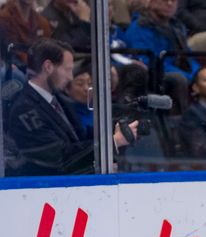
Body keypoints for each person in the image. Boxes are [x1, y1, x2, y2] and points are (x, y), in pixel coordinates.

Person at [7, 38, 136, 176]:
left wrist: (114, 131)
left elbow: (79, 140)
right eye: (67, 70)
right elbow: (59, 158)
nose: (70, 77)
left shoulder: (59, 100)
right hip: (42, 192)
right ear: (48, 67)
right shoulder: (25, 109)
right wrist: (112, 142)